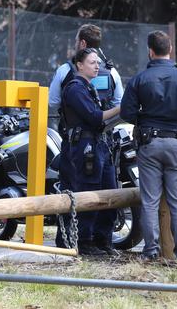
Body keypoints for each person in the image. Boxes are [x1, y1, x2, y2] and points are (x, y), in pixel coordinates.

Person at [120, 30, 177, 262]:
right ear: (170, 50)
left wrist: (144, 120)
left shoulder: (139, 80)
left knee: (149, 200)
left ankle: (150, 252)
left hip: (149, 144)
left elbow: (127, 112)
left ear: (150, 51)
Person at [48, 24, 124, 249]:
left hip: (79, 142)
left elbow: (53, 102)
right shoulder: (112, 72)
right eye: (93, 63)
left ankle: (73, 241)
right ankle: (98, 241)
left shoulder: (66, 71)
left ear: (81, 43)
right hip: (102, 140)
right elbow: (117, 103)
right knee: (103, 190)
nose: (97, 66)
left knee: (74, 191)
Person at [61, 48, 121, 256]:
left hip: (101, 145)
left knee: (111, 194)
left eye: (98, 63)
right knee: (90, 194)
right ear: (79, 65)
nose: (97, 66)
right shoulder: (75, 88)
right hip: (86, 148)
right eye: (92, 62)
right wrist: (121, 109)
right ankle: (85, 242)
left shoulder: (89, 87)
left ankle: (103, 240)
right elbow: (95, 117)